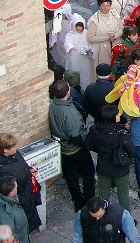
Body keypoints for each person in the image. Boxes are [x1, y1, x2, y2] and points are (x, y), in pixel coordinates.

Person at [49, 79, 96, 211]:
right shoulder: (69, 112)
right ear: (67, 92)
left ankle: (77, 201)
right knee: (88, 173)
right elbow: (76, 135)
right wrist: (86, 144)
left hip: (62, 148)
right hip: (75, 149)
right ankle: (89, 201)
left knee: (71, 177)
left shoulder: (52, 105)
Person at [0, 132, 46, 230]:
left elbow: (21, 164)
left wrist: (29, 169)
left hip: (28, 194)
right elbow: (6, 192)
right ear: (5, 150)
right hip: (20, 203)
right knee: (24, 227)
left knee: (30, 222)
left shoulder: (14, 154)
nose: (16, 148)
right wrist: (23, 200)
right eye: (13, 147)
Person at [84, 104, 136, 212]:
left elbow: (88, 145)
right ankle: (126, 220)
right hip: (120, 169)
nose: (119, 115)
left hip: (103, 166)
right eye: (117, 114)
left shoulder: (95, 130)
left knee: (103, 195)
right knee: (123, 196)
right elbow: (132, 151)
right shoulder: (121, 134)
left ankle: (103, 216)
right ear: (111, 117)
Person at [72, 196, 140, 243]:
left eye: (99, 215)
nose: (97, 219)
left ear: (104, 207)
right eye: (94, 216)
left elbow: (133, 236)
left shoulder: (121, 214)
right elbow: (77, 235)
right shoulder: (82, 214)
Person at [0, 176, 29, 243]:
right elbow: (7, 238)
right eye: (16, 187)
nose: (17, 187)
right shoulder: (2, 217)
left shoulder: (2, 193)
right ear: (11, 193)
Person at [87, 0, 124, 68]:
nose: (105, 8)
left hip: (115, 46)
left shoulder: (114, 14)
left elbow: (121, 28)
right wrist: (107, 38)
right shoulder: (94, 19)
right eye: (103, 5)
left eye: (107, 5)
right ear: (99, 6)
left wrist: (115, 36)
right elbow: (90, 37)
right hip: (101, 49)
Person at [64, 13, 95, 90]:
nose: (79, 29)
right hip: (75, 59)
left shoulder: (87, 34)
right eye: (77, 27)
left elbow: (91, 44)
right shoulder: (70, 35)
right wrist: (71, 48)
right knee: (74, 76)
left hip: (85, 59)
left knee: (86, 77)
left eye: (81, 27)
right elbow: (67, 43)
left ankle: (85, 91)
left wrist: (88, 50)